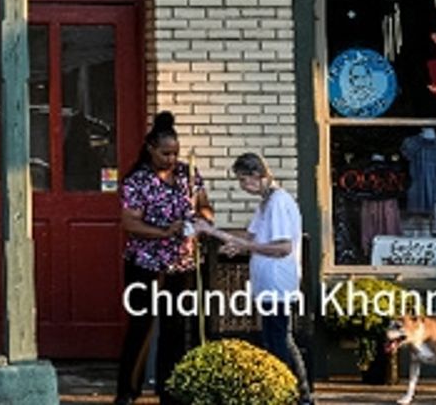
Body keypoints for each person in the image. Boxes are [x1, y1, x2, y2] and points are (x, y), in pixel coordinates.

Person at [115, 112, 213, 405]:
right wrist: (163, 231)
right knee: (142, 325)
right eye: (165, 153)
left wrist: (200, 220)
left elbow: (206, 206)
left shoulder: (188, 174)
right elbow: (129, 223)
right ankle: (128, 391)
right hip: (145, 263)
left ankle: (170, 390)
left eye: (175, 153)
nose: (171, 159)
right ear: (151, 149)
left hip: (181, 264)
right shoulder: (138, 180)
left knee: (176, 326)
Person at [207, 153, 313, 405]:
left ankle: (292, 394)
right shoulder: (265, 203)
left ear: (257, 175)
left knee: (278, 339)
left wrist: (241, 245)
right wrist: (231, 241)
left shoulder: (278, 202)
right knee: (276, 337)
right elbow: (253, 237)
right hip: (267, 282)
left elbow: (283, 247)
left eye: (243, 180)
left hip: (278, 281)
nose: (243, 186)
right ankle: (299, 394)